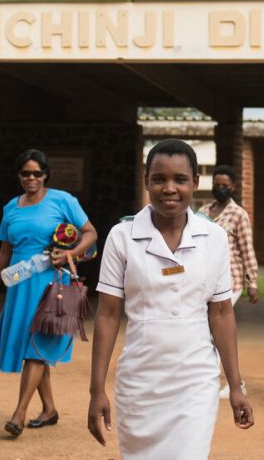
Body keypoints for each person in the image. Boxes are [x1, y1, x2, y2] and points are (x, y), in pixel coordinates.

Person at [88, 139, 254, 459]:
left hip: (195, 379)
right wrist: (97, 390)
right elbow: (108, 314)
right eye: (158, 179)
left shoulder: (214, 238)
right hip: (140, 382)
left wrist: (235, 386)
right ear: (146, 181)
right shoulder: (122, 237)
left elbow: (221, 313)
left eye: (179, 179)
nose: (169, 188)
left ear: (195, 182)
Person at [0, 149, 97, 437]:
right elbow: (4, 252)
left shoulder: (63, 200)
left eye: (37, 173)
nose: (31, 178)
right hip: (19, 284)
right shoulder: (11, 208)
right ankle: (49, 408)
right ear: (18, 175)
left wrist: (69, 254)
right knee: (32, 348)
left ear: (46, 174)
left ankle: (19, 413)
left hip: (50, 284)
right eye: (26, 173)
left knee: (37, 348)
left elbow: (90, 233)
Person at [198, 164, 259, 398]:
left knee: (215, 329)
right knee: (206, 331)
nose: (220, 189)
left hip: (230, 281)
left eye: (225, 186)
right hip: (206, 282)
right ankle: (212, 381)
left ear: (233, 187)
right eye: (217, 185)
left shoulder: (238, 215)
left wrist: (252, 281)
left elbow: (247, 249)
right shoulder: (202, 212)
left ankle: (230, 384)